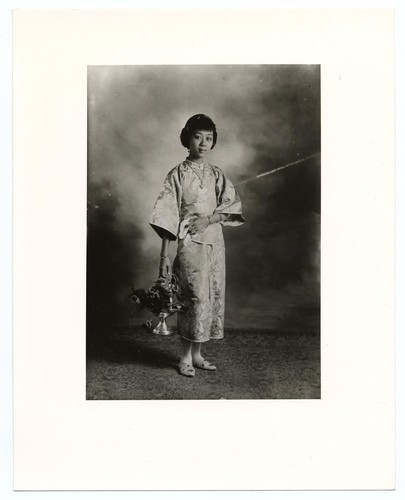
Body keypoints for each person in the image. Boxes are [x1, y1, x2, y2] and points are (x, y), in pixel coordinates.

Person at [150, 114, 245, 377]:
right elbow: (166, 215)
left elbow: (231, 206)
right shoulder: (177, 174)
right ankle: (184, 358)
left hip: (215, 243)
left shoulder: (217, 174)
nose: (203, 143)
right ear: (187, 138)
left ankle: (198, 354)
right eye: (198, 137)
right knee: (193, 298)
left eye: (209, 138)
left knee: (211, 296)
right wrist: (164, 256)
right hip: (190, 244)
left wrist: (209, 219)